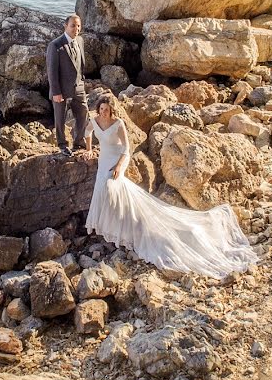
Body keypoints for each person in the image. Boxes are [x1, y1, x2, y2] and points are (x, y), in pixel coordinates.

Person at [82, 94, 258, 278]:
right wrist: (88, 150)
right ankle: (115, 228)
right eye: (101, 110)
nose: (103, 113)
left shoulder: (118, 123)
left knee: (113, 188)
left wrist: (119, 166)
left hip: (117, 159)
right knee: (103, 189)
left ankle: (125, 227)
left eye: (106, 110)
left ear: (111, 111)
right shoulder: (94, 121)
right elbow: (87, 133)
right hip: (103, 161)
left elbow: (126, 149)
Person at [45, 13, 89, 156]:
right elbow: (52, 71)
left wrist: (82, 81)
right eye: (72, 26)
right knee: (60, 118)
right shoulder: (55, 45)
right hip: (61, 90)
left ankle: (79, 142)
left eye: (78, 26)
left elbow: (80, 63)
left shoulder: (80, 41)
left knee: (83, 114)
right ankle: (62, 145)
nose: (76, 29)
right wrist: (56, 92)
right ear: (65, 26)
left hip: (79, 87)